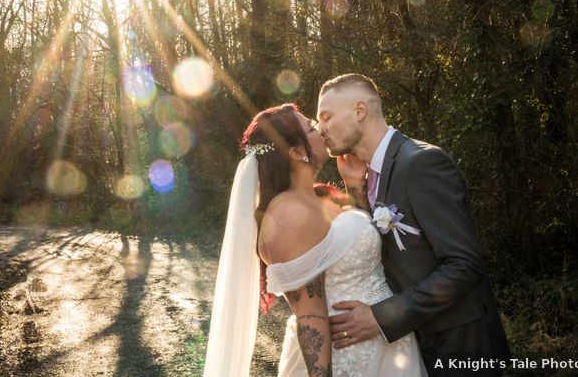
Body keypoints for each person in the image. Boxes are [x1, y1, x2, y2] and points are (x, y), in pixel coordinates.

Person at [204, 103, 425, 376]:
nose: (320, 129)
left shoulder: (318, 197)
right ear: (297, 152)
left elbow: (347, 246)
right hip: (350, 356)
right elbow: (309, 312)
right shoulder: (288, 214)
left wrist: (354, 185)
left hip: (383, 342)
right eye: (311, 127)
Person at [316, 73, 511, 375]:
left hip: (458, 344)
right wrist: (355, 189)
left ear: (359, 111)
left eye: (326, 117)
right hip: (416, 344)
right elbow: (379, 249)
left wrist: (381, 316)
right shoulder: (367, 175)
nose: (320, 128)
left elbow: (464, 265)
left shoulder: (421, 163)